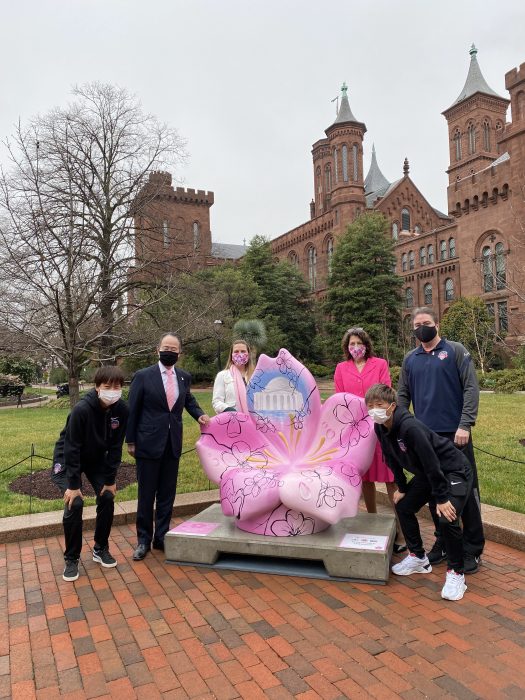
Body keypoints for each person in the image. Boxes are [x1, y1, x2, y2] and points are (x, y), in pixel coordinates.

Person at [365, 383, 473, 601]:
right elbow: (391, 458)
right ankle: (418, 558)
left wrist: (442, 498)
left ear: (392, 406)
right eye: (370, 406)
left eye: (379, 405)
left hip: (453, 469)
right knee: (403, 507)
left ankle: (456, 574)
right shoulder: (380, 427)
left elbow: (432, 462)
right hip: (428, 473)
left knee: (447, 516)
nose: (374, 409)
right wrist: (403, 488)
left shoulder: (410, 428)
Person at [397, 307, 484, 574]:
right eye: (417, 324)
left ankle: (472, 548)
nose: (422, 327)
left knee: (465, 493)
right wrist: (403, 425)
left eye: (426, 322)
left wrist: (465, 423)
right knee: (436, 492)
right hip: (425, 439)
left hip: (456, 436)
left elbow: (471, 387)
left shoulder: (455, 351)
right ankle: (443, 542)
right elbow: (402, 396)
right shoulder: (410, 360)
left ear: (437, 325)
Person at [126, 333, 210, 560]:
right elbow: (132, 409)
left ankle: (161, 536)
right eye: (166, 347)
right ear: (158, 350)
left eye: (174, 349)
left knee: (167, 494)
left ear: (179, 353)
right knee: (146, 495)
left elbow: (188, 400)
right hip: (147, 443)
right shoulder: (143, 376)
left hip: (172, 444)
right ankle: (143, 540)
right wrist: (130, 440)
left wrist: (199, 415)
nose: (169, 351)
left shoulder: (184, 377)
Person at [52, 366, 128, 582]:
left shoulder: (122, 410)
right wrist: (74, 486)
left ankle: (100, 547)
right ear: (97, 388)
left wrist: (110, 480)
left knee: (107, 496)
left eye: (117, 386)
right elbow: (71, 447)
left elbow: (115, 447)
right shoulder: (81, 410)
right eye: (107, 386)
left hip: (96, 458)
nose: (113, 390)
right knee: (74, 503)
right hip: (68, 458)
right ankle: (71, 558)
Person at [334, 327, 407, 553]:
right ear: (347, 347)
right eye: (351, 344)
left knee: (390, 477)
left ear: (366, 344)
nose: (355, 347)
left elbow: (386, 392)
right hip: (356, 432)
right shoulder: (341, 368)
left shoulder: (380, 364)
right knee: (364, 478)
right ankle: (373, 523)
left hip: (380, 426)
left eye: (359, 343)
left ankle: (403, 532)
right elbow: (339, 398)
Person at [212, 339, 255, 414]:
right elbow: (217, 402)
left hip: (254, 421)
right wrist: (229, 410)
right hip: (232, 420)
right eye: (236, 351)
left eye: (243, 351)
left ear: (248, 354)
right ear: (231, 355)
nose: (240, 354)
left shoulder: (256, 376)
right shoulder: (222, 376)